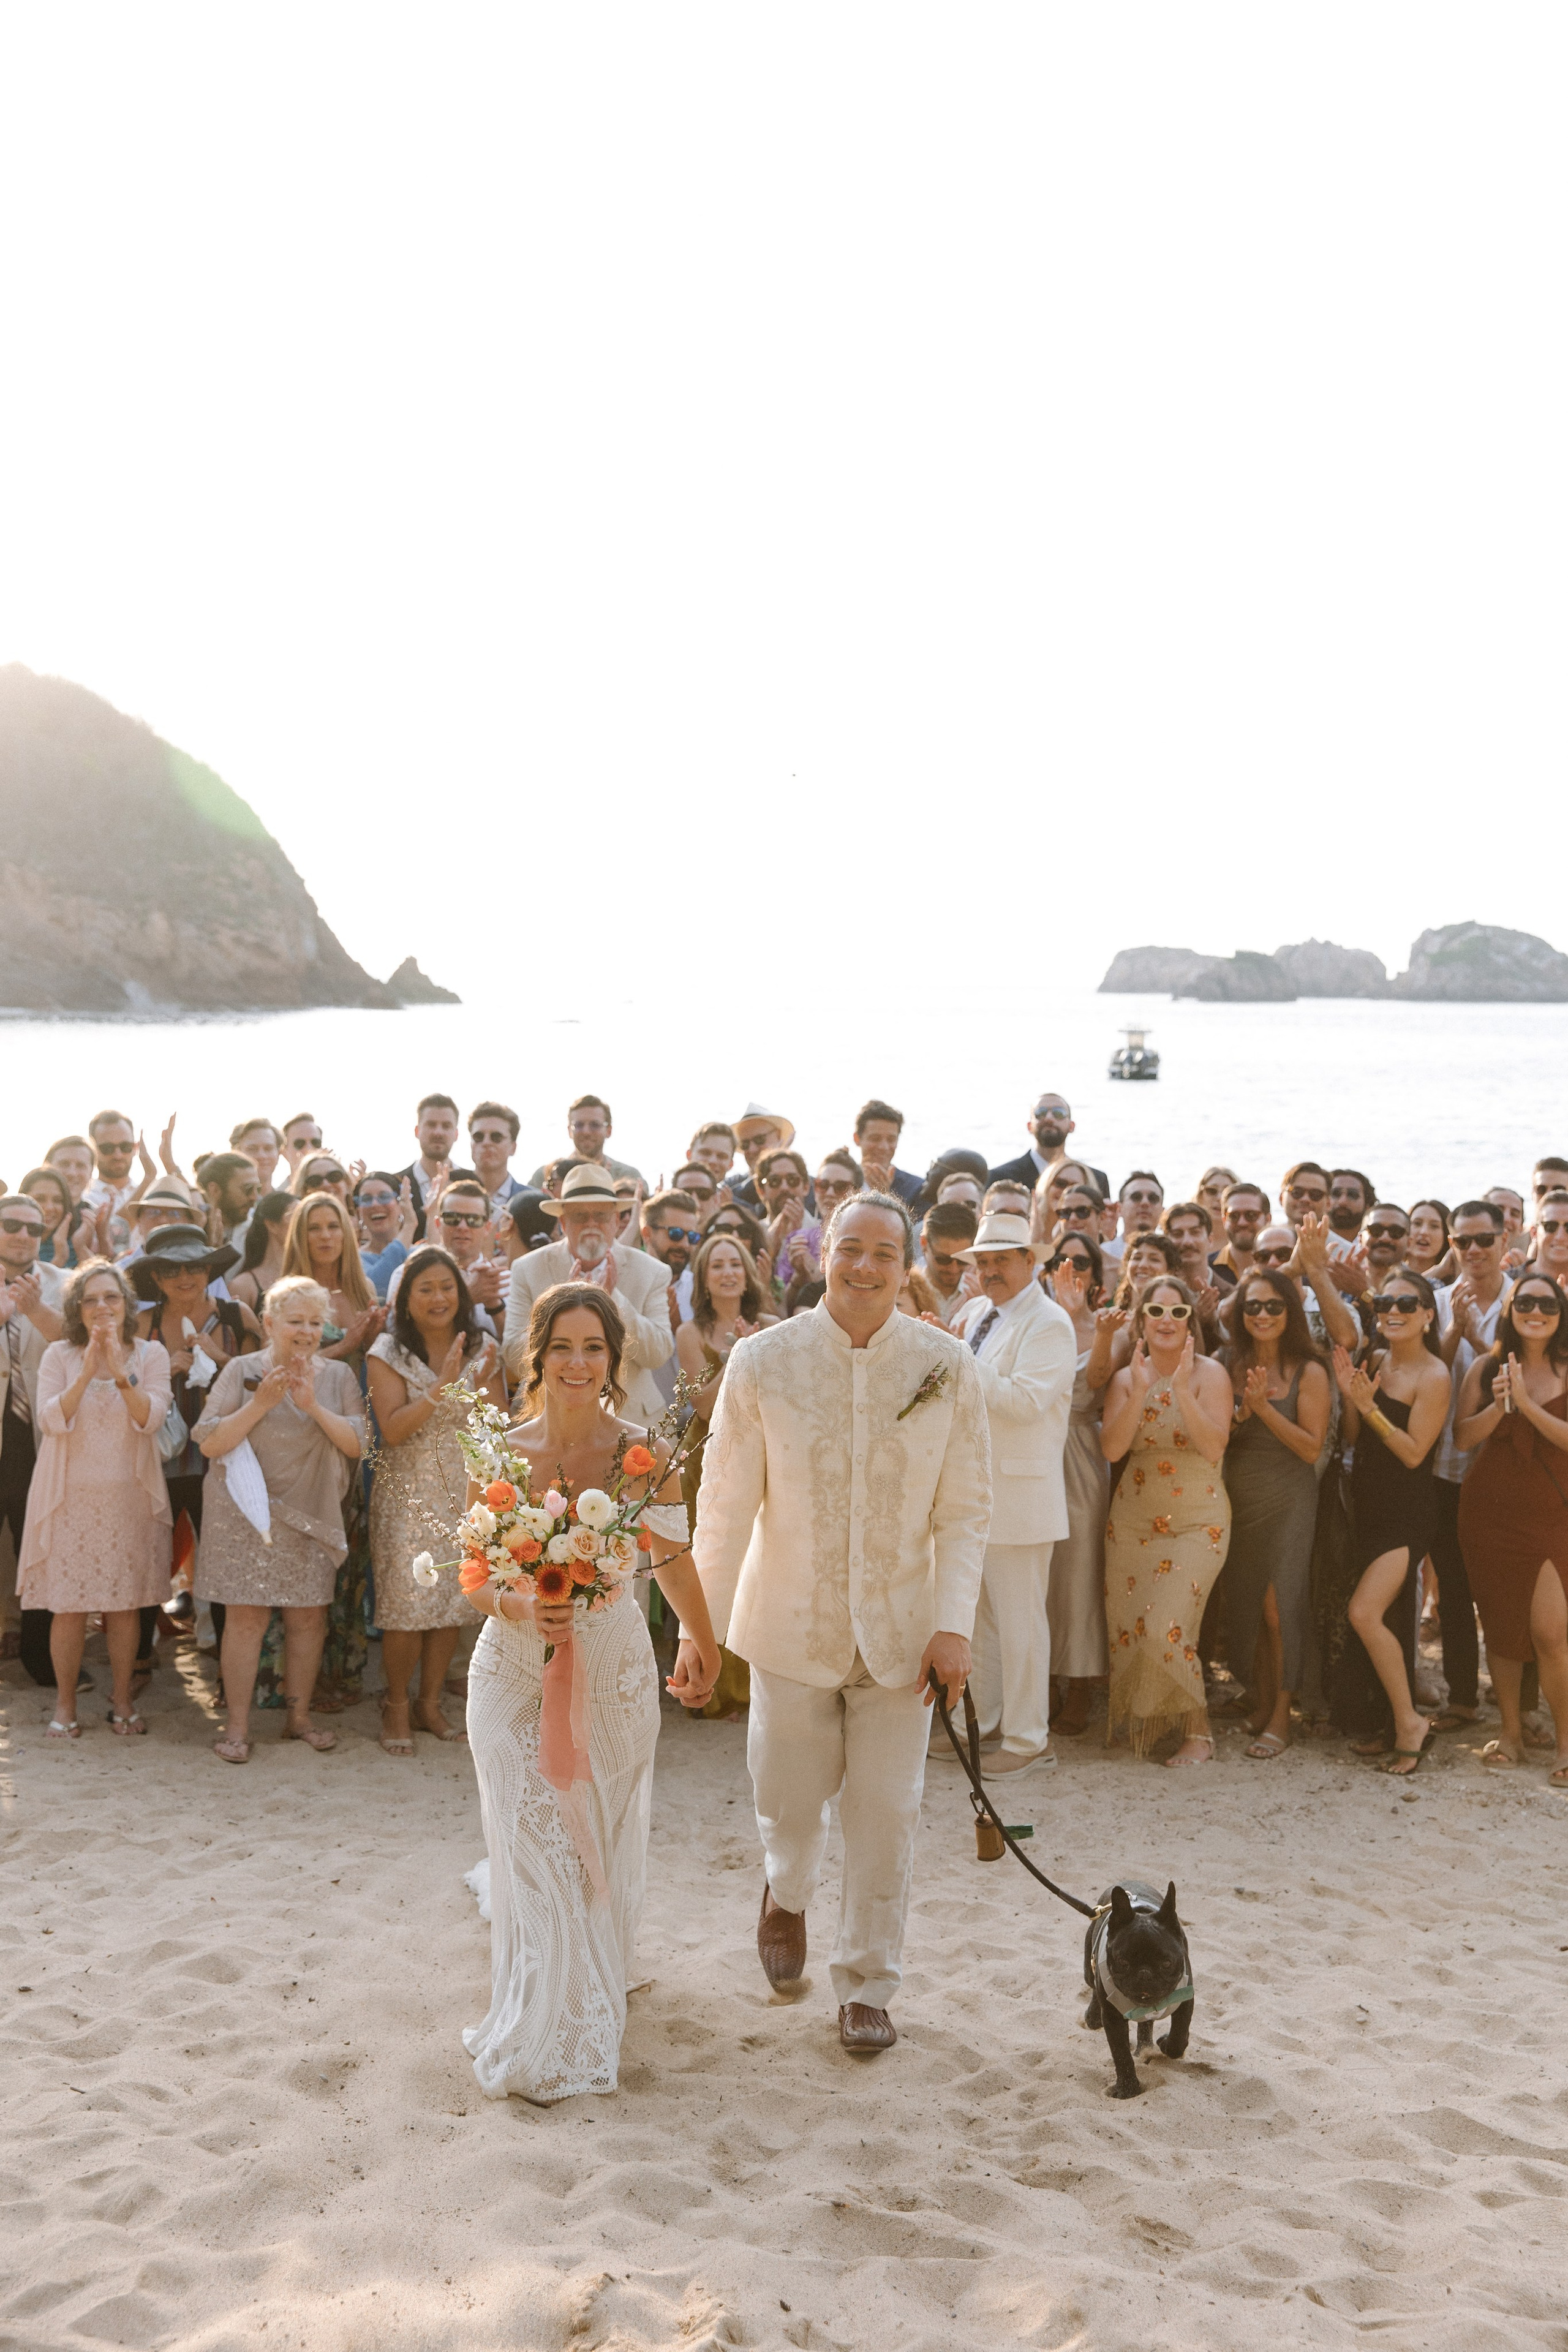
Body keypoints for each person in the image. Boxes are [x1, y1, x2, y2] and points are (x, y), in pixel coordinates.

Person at [693, 1191, 990, 2056]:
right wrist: (699, 1636)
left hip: (905, 1634)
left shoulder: (948, 1365)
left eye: (883, 1255)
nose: (864, 1268)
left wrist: (954, 1624)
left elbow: (967, 1512)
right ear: (823, 1253)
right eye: (849, 1249)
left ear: (908, 1266)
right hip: (789, 1625)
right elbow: (722, 1511)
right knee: (786, 1802)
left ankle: (866, 1984)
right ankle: (785, 1890)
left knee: (886, 1811)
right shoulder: (763, 1362)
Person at [462, 1284, 721, 2101]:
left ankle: (581, 2002)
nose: (579, 1364)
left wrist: (700, 1639)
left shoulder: (645, 1453)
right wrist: (516, 1605)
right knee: (533, 1834)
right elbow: (472, 1571)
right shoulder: (497, 1450)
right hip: (510, 1664)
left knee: (590, 1843)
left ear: (615, 1359)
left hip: (609, 1665)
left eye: (595, 1348)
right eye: (563, 1347)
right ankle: (543, 2023)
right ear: (537, 1354)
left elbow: (672, 1559)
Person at [194, 1275, 366, 1763]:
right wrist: (260, 1405)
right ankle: (238, 1728)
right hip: (244, 1512)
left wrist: (312, 1406)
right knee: (245, 1620)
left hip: (311, 1512)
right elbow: (208, 1440)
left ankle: (299, 1719)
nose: (307, 1332)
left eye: (316, 1323)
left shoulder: (337, 1377)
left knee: (308, 1619)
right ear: (269, 1323)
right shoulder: (241, 1371)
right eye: (296, 1321)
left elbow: (359, 1443)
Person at [18, 1259, 172, 1738]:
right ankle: (65, 1706)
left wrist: (119, 1374)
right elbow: (49, 1420)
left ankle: (123, 1701)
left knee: (125, 1606)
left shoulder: (150, 1355)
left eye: (112, 1297)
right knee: (69, 1607)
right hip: (68, 1496)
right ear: (77, 1309)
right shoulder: (58, 1355)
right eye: (91, 1299)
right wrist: (85, 1374)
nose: (102, 1307)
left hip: (129, 1495)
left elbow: (151, 1419)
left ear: (126, 1306)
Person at [949, 1213, 1075, 1779]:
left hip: (1021, 1498)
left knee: (1023, 1624)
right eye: (984, 1261)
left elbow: (1026, 1402)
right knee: (976, 1621)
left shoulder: (1049, 1323)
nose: (991, 1270)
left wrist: (957, 1362)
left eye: (1003, 1259)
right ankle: (978, 1726)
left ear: (1032, 1261)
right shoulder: (976, 1313)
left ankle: (1028, 1738)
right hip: (970, 1495)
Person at [366, 1246, 505, 1755]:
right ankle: (396, 1704)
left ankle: (430, 1702)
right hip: (407, 1490)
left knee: (451, 1600)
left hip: (463, 1486)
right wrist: (441, 1389)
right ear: (405, 1299)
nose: (438, 1297)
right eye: (425, 1289)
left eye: (447, 1287)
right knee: (406, 1605)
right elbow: (393, 1431)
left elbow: (498, 1420)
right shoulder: (386, 1352)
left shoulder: (483, 1345)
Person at [1100, 1277, 1232, 1765]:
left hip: (1199, 1520)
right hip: (1134, 1518)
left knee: (1167, 1627)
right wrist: (1139, 1391)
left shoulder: (1212, 1375)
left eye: (1178, 1313)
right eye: (1156, 1310)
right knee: (1131, 1627)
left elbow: (1215, 1446)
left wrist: (1181, 1391)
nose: (1167, 1320)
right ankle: (1153, 1725)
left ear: (1191, 1323)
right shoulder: (1122, 1380)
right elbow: (1113, 1449)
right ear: (1141, 1320)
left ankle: (1199, 1732)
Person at [131, 1226, 261, 1681]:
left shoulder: (235, 1315)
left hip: (222, 1463)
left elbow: (263, 1384)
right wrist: (164, 1371)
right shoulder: (140, 1324)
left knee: (223, 1568)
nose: (185, 1276)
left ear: (210, 1269)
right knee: (149, 1561)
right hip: (158, 1464)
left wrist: (220, 1362)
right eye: (171, 1268)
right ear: (155, 1277)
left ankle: (231, 1673)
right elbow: (121, 1393)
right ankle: (139, 1663)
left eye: (195, 1265)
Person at [1332, 1273, 1448, 1773]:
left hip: (1407, 1511)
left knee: (1365, 1613)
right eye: (1385, 1301)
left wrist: (1368, 1406)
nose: (1393, 1310)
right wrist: (1348, 1398)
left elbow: (1414, 1453)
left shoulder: (1435, 1375)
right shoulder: (1375, 1359)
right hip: (1369, 1505)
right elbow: (1357, 1439)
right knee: (1391, 1619)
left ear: (1427, 1314)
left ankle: (1410, 1722)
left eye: (1407, 1302)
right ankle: (1388, 1723)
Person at [1454, 1275, 1568, 1781]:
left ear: (1561, 1313)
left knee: (1550, 1632)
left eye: (1548, 1303)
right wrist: (1500, 1406)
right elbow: (1461, 1439)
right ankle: (1511, 1734)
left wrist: (1525, 1405)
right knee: (1500, 1629)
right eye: (1525, 1301)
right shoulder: (1485, 1366)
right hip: (1491, 1513)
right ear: (1511, 1309)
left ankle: (1567, 1743)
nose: (1536, 1310)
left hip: (1552, 1515)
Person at [1218, 1270, 1331, 1759]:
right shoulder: (1229, 1362)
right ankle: (1264, 1704)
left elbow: (1311, 1449)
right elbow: (1219, 1433)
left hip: (1289, 1497)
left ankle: (1284, 1715)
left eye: (1273, 1306)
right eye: (1253, 1307)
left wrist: (1263, 1411)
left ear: (1290, 1312)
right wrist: (1243, 1414)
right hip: (1238, 1494)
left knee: (1279, 1607)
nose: (1262, 1315)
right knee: (1249, 1607)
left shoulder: (1311, 1370)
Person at [676, 1232, 780, 1715]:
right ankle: (704, 1685)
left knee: (754, 1567)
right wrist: (742, 1352)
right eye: (716, 1265)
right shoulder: (690, 1333)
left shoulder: (774, 1325)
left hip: (763, 1456)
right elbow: (702, 1403)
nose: (727, 1272)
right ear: (704, 1277)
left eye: (734, 1264)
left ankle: (749, 1686)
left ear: (747, 1272)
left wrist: (756, 1342)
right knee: (711, 1570)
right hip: (707, 1459)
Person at [1427, 1199, 1512, 1732]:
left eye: (1485, 1240)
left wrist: (1479, 1340)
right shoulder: (1435, 1302)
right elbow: (1422, 1370)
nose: (1475, 1250)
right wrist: (1456, 1330)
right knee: (1455, 1589)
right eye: (1464, 1242)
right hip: (1444, 1463)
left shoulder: (1525, 1299)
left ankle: (1519, 1708)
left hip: (1507, 1464)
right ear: (1451, 1245)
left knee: (1509, 1586)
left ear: (1506, 1241)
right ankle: (1462, 1696)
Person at [502, 1164, 674, 1425]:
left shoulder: (652, 1271)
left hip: (634, 1423)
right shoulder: (527, 1269)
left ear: (616, 1221)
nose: (591, 1224)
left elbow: (659, 1353)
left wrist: (613, 1299)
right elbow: (514, 1355)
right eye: (580, 1216)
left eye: (602, 1216)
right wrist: (561, 1309)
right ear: (563, 1222)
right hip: (551, 1422)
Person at [1039, 1234, 1110, 1736]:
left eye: (1081, 1261)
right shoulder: (1032, 1323)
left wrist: (1082, 1321)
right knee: (1037, 1575)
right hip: (1033, 1454)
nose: (1071, 1268)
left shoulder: (1111, 1329)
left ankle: (1082, 1684)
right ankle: (1040, 1682)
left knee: (1080, 1573)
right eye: (1060, 1260)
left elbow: (1101, 1379)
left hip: (1082, 1454)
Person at [1, 1195, 67, 1688]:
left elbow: (82, 1344)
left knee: (39, 1544)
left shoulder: (65, 1286)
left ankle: (40, 1659)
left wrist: (34, 1309)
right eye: (11, 1224)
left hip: (41, 1437)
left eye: (33, 1228)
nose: (23, 1235)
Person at [278, 1195, 385, 1363]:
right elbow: (276, 1364)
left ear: (345, 1234)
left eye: (333, 1226)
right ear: (300, 1237)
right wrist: (343, 1347)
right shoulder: (286, 1296)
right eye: (314, 1228)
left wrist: (373, 1338)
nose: (325, 1236)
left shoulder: (364, 1288)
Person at [989, 1095, 1109, 1202]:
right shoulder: (1000, 1177)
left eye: (1059, 1113)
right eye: (1040, 1113)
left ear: (1071, 1126)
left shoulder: (1096, 1179)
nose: (1049, 1118)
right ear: (1029, 1126)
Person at [525, 1094, 644, 1190]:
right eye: (579, 1125)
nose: (586, 1132)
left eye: (595, 1125)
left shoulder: (628, 1177)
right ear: (569, 1131)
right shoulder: (545, 1177)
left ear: (609, 1131)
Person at [393, 1093, 464, 1237]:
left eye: (446, 1126)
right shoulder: (395, 1184)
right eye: (431, 1125)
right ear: (417, 1131)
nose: (438, 1132)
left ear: (456, 1134)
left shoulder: (471, 1182)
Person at [907, 1202, 979, 1327]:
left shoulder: (980, 1294)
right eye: (943, 1260)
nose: (954, 1269)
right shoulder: (906, 1290)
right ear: (924, 1243)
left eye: (962, 1260)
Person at [353, 1172, 417, 1301]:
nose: (375, 1204)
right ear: (359, 1212)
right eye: (366, 1199)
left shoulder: (419, 1252)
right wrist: (410, 1225)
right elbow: (379, 1285)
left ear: (401, 1205)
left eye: (384, 1197)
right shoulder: (353, 1259)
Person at [230, 1190, 296, 1312]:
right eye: (297, 1217)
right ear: (272, 1225)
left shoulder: (313, 1274)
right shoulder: (243, 1286)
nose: (305, 1223)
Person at [727, 1105, 796, 1213]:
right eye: (745, 1144)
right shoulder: (732, 1185)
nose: (752, 1149)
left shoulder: (804, 1184)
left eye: (760, 1140)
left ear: (778, 1136)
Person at [853, 1100, 922, 1206]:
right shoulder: (836, 1184)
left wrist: (885, 1197)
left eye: (891, 1140)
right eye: (875, 1139)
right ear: (857, 1139)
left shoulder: (917, 1189)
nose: (884, 1147)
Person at [1210, 1182, 1270, 1291]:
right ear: (1224, 1220)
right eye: (1234, 1216)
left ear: (1267, 1220)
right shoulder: (1207, 1270)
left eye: (1251, 1215)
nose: (1242, 1223)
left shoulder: (1279, 1265)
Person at [467, 1102, 525, 1216]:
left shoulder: (531, 1200)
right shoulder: (449, 1196)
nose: (486, 1143)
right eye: (478, 1137)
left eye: (496, 1137)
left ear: (513, 1148)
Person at [197, 1151, 261, 1245]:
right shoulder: (191, 1232)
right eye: (248, 1189)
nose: (255, 1197)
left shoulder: (259, 1234)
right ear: (215, 1190)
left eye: (258, 1189)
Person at [19, 1166, 78, 1267]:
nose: (50, 1208)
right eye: (40, 1199)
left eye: (58, 1200)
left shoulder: (76, 1246)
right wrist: (59, 1259)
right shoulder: (8, 1241)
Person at [228, 1118, 282, 1196]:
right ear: (236, 1153)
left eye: (268, 1148)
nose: (262, 1156)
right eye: (252, 1149)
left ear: (279, 1153)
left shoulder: (290, 1205)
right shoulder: (222, 1205)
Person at [45, 1134, 96, 1208]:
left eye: (80, 1165)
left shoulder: (99, 1217)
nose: (72, 1173)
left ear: (91, 1172)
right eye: (64, 1164)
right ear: (47, 1167)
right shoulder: (26, 1212)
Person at [1408, 1199, 1452, 1280]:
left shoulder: (1455, 1286)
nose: (1424, 1232)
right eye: (1417, 1223)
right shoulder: (1385, 1273)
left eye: (1434, 1226)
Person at [1328, 1169, 1375, 1243]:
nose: (1342, 1202)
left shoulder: (1376, 1246)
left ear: (1368, 1205)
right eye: (1335, 1194)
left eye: (1352, 1195)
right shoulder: (1307, 1240)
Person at [279, 1113, 325, 1185]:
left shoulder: (338, 1192)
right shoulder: (278, 1196)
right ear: (284, 1152)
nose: (309, 1149)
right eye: (300, 1144)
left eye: (316, 1143)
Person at [1196, 1165, 1240, 1231]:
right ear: (1200, 1195)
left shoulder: (1253, 1236)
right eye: (1212, 1191)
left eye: (1227, 1192)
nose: (1220, 1198)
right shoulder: (1184, 1234)